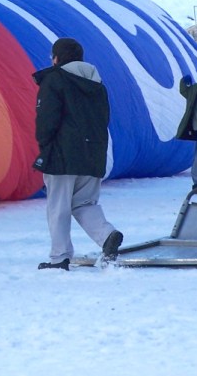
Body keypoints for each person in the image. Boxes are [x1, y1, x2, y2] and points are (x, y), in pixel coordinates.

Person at [32, 38, 123, 271]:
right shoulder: (97, 83)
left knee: (58, 206)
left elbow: (47, 120)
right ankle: (107, 235)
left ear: (57, 58)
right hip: (94, 153)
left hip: (62, 155)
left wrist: (44, 145)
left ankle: (59, 257)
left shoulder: (54, 80)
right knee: (84, 202)